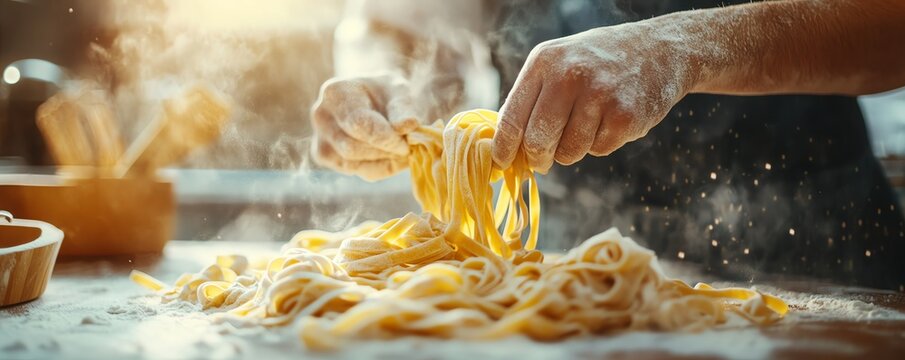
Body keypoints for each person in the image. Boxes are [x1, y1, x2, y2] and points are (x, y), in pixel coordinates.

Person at [309, 0, 905, 291]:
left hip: (816, 238)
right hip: (564, 262)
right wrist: (386, 86)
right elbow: (393, 23)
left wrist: (680, 46)